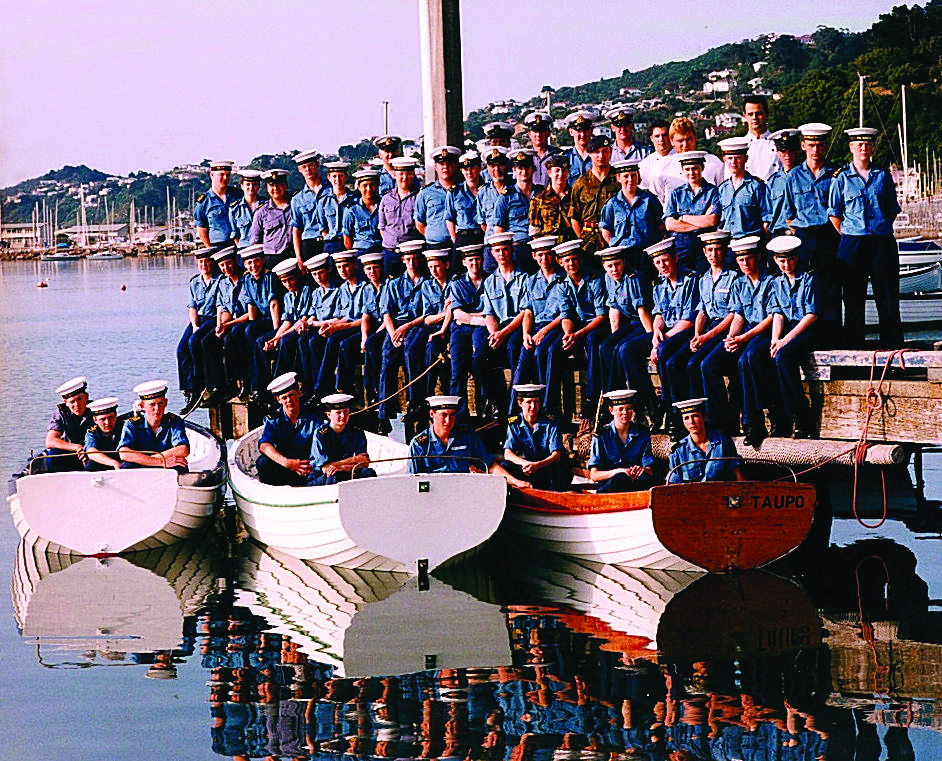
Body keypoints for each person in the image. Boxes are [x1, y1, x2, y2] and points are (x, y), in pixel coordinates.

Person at [698, 236, 782, 447]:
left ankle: (754, 422)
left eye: (749, 259)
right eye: (741, 260)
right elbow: (738, 315)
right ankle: (720, 422)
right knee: (708, 364)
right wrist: (730, 338)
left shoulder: (771, 281)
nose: (746, 264)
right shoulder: (739, 283)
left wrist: (743, 338)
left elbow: (771, 317)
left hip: (764, 332)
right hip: (745, 332)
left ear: (758, 257)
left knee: (747, 359)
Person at [827, 126, 902, 348]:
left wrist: (878, 228)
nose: (863, 148)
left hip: (881, 242)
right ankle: (854, 353)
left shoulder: (883, 175)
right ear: (851, 147)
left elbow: (891, 209)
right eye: (859, 144)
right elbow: (835, 213)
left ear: (872, 147)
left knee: (887, 299)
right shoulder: (841, 178)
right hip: (853, 242)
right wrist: (853, 232)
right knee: (853, 300)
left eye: (867, 144)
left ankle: (893, 353)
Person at [666, 230, 737, 411]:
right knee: (684, 363)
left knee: (706, 364)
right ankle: (693, 413)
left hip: (727, 329)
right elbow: (702, 311)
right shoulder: (703, 278)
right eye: (710, 250)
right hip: (708, 329)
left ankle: (719, 416)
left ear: (725, 251)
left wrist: (707, 336)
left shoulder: (734, 277)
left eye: (718, 250)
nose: (714, 255)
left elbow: (733, 315)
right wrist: (697, 335)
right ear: (704, 252)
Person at [408, 396, 527, 487]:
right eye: (443, 415)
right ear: (431, 414)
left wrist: (515, 482)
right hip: (433, 493)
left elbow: (489, 464)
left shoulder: (466, 435)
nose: (448, 420)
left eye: (452, 415)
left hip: (462, 490)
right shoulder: (419, 444)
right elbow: (412, 481)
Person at [768, 235, 819, 439]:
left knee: (784, 356)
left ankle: (800, 413)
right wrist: (775, 339)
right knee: (769, 354)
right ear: (775, 260)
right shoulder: (777, 282)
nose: (786, 265)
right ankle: (779, 413)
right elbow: (778, 312)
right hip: (790, 328)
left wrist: (784, 341)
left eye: (789, 260)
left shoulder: (809, 277)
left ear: (796, 258)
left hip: (809, 328)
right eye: (781, 261)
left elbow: (811, 314)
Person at [512, 236, 568, 414]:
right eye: (540, 255)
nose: (544, 259)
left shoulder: (564, 278)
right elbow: (528, 311)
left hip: (557, 326)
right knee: (524, 354)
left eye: (548, 254)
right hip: (537, 328)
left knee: (541, 351)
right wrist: (526, 334)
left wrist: (543, 331)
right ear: (534, 257)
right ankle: (512, 413)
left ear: (555, 256)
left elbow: (564, 314)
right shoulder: (531, 281)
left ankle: (546, 406)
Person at [477, 232, 528, 418]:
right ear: (492, 253)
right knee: (480, 356)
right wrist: (494, 333)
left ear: (512, 249)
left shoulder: (524, 277)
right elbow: (488, 312)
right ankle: (496, 400)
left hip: (517, 326)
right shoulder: (490, 281)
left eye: (505, 249)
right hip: (499, 328)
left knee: (515, 348)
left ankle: (514, 400)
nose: (501, 254)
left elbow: (525, 312)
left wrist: (503, 333)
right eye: (497, 250)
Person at [378, 240, 429, 425]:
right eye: (408, 259)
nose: (412, 263)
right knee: (387, 360)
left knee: (411, 355)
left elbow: (427, 313)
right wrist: (392, 334)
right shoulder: (395, 284)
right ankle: (384, 414)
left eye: (415, 259)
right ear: (403, 260)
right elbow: (387, 313)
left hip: (418, 325)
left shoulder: (428, 282)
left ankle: (414, 404)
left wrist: (406, 328)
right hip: (396, 327)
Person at [785, 123, 841, 274]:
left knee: (831, 286)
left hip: (829, 235)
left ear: (825, 146)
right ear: (803, 146)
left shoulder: (837, 174)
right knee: (805, 285)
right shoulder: (793, 176)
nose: (815, 150)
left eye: (819, 145)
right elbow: (789, 213)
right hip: (804, 236)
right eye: (811, 145)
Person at [595, 245, 651, 395]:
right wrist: (615, 336)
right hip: (631, 323)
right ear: (603, 266)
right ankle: (612, 395)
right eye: (610, 266)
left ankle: (623, 394)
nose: (614, 269)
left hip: (644, 323)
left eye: (617, 264)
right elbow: (614, 309)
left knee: (622, 348)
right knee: (605, 346)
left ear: (624, 262)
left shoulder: (634, 278)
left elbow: (643, 310)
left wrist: (651, 336)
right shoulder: (608, 278)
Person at [254, 259, 313, 398]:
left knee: (285, 341)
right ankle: (260, 387)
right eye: (284, 282)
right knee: (261, 341)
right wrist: (274, 339)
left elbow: (302, 319)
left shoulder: (308, 291)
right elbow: (286, 321)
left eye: (291, 280)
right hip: (291, 328)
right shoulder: (287, 296)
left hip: (303, 328)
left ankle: (279, 383)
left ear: (298, 277)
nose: (288, 284)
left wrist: (279, 338)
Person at [600, 159, 664, 286]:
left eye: (633, 175)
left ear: (638, 176)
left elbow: (661, 226)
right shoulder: (612, 204)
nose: (630, 179)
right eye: (626, 176)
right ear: (618, 178)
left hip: (647, 255)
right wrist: (616, 244)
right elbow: (605, 230)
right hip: (624, 257)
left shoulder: (649, 200)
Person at [338, 251, 387, 411]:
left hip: (387, 326)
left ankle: (372, 390)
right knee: (346, 344)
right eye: (369, 269)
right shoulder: (368, 289)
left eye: (375, 268)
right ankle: (344, 388)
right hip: (372, 327)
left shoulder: (390, 285)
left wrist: (371, 336)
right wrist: (364, 336)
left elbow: (389, 316)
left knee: (373, 344)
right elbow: (366, 316)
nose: (372, 272)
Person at [235, 245, 283, 402]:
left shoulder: (271, 276)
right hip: (261, 320)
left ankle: (259, 386)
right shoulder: (247, 279)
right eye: (249, 263)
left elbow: (274, 304)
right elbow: (251, 306)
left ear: (263, 261)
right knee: (242, 332)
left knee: (257, 341)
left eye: (256, 261)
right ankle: (247, 380)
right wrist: (250, 326)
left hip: (276, 319)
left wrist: (276, 333)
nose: (253, 266)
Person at [255, 372, 320, 486]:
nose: (289, 401)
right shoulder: (274, 420)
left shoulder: (314, 416)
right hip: (286, 467)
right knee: (263, 462)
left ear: (298, 393)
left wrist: (311, 464)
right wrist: (287, 463)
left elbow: (322, 443)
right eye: (284, 397)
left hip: (310, 467)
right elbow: (264, 445)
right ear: (278, 400)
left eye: (292, 395)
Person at [202, 246, 248, 405]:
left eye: (228, 264)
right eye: (222, 266)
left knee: (231, 339)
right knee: (208, 341)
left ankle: (234, 384)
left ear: (235, 261)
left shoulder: (246, 278)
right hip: (232, 321)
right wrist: (221, 325)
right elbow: (224, 307)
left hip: (246, 320)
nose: (226, 268)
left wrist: (228, 325)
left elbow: (250, 312)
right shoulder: (223, 282)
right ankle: (216, 386)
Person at [503, 384, 571, 491]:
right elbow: (507, 453)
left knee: (560, 468)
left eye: (536, 401)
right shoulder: (514, 424)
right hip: (529, 467)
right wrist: (524, 463)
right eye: (529, 402)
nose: (533, 407)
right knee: (506, 466)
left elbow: (556, 455)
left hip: (548, 466)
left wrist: (537, 465)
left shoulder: (551, 422)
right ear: (520, 403)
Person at [444, 243, 489, 406]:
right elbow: (457, 314)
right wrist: (480, 318)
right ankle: (458, 411)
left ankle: (485, 403)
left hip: (482, 327)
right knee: (457, 368)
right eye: (470, 260)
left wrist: (470, 317)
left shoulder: (490, 280)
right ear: (464, 262)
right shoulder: (457, 283)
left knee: (480, 359)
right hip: (461, 329)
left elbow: (492, 311)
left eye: (477, 259)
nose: (474, 264)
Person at [588, 390, 656, 493]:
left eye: (628, 409)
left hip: (635, 485)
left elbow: (650, 470)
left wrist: (641, 470)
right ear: (611, 410)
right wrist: (619, 471)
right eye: (620, 409)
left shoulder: (642, 434)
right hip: (609, 489)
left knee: (645, 479)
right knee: (620, 478)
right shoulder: (601, 436)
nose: (625, 413)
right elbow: (594, 475)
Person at [178, 247, 220, 414]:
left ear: (212, 262)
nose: (204, 265)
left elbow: (220, 306)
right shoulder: (195, 282)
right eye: (201, 262)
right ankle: (188, 389)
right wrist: (195, 326)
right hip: (199, 319)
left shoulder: (220, 280)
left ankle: (200, 384)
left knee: (195, 342)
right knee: (181, 349)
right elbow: (192, 306)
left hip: (213, 318)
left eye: (207, 261)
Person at [663, 151, 719, 275]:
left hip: (705, 244)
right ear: (682, 170)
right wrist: (702, 220)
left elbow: (712, 220)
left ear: (702, 168)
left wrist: (683, 217)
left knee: (705, 278)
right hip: (681, 245)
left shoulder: (713, 191)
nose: (691, 173)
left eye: (695, 168)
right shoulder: (677, 194)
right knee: (684, 280)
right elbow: (669, 225)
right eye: (687, 169)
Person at [118, 381, 189, 473]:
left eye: (160, 403)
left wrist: (145, 460)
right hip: (152, 464)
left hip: (161, 464)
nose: (157, 409)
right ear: (142, 406)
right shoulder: (132, 424)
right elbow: (124, 453)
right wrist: (159, 461)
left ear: (166, 402)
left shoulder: (174, 422)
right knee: (126, 466)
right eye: (152, 404)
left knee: (180, 465)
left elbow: (183, 449)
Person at [667, 398, 743, 483]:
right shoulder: (678, 451)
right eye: (686, 418)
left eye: (695, 416)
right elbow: (673, 486)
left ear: (705, 417)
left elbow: (738, 475)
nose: (691, 422)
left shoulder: (722, 442)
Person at [651, 118, 725, 205]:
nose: (685, 145)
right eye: (680, 141)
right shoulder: (661, 167)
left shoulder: (713, 163)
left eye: (688, 139)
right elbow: (656, 202)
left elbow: (723, 194)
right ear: (671, 141)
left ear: (695, 137)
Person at [308, 394, 376, 485]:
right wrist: (353, 459)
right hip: (321, 476)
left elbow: (364, 463)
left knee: (369, 473)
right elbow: (326, 467)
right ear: (329, 415)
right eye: (338, 412)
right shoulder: (321, 434)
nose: (343, 416)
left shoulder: (356, 432)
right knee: (333, 476)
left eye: (345, 411)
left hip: (346, 471)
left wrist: (342, 467)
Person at [568, 134, 618, 256]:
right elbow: (574, 216)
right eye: (597, 152)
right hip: (589, 240)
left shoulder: (618, 180)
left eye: (604, 151)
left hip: (614, 236)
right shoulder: (581, 183)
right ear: (590, 154)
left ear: (610, 152)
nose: (601, 156)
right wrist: (582, 238)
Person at [716, 136, 771, 243]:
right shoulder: (723, 188)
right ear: (724, 160)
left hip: (751, 241)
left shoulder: (756, 186)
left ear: (745, 159)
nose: (734, 162)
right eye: (730, 158)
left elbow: (766, 218)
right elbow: (721, 219)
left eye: (738, 158)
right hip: (729, 242)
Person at [378, 156, 421, 275]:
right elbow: (382, 227)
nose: (404, 178)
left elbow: (422, 225)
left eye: (408, 174)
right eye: (401, 173)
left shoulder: (419, 197)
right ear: (394, 175)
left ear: (413, 175)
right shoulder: (386, 198)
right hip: (390, 253)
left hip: (412, 254)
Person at [43, 376, 94, 472]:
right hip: (71, 453)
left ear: (86, 397)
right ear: (66, 402)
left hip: (94, 452)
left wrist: (88, 451)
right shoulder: (61, 415)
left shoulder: (96, 411)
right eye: (72, 402)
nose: (76, 405)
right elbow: (50, 441)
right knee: (53, 455)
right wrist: (77, 447)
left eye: (79, 399)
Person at [475, 146, 513, 271]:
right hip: (491, 246)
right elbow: (483, 224)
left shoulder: (515, 188)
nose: (496, 170)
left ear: (507, 165)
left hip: (512, 245)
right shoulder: (483, 192)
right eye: (492, 166)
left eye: (500, 165)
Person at [414, 146, 460, 250]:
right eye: (441, 164)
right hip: (436, 246)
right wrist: (433, 235)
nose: (445, 167)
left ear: (456, 165)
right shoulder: (426, 193)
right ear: (435, 166)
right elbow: (419, 222)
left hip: (459, 244)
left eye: (449, 164)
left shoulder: (463, 191)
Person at [290, 149, 329, 266]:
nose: (308, 170)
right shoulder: (297, 199)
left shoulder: (331, 190)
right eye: (304, 167)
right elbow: (296, 230)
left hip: (330, 240)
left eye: (311, 165)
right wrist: (298, 257)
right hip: (310, 244)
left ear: (317, 164)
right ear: (299, 170)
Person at [249, 169, 294, 266]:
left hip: (294, 255)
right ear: (267, 188)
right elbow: (256, 241)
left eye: (279, 184)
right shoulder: (261, 212)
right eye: (271, 185)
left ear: (285, 185)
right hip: (272, 258)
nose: (276, 188)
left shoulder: (296, 205)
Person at [194, 160, 242, 247]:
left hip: (239, 245)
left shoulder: (238, 195)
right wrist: (210, 249)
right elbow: (201, 229)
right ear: (212, 175)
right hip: (218, 247)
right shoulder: (204, 202)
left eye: (228, 175)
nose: (225, 178)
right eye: (221, 174)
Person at [508, 148, 541, 272]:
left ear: (533, 169)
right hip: (518, 248)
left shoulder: (542, 193)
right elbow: (499, 229)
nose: (524, 172)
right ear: (514, 171)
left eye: (527, 167)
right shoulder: (506, 197)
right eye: (520, 168)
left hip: (540, 247)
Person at [529, 153, 574, 242]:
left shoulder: (575, 196)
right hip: (549, 247)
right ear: (549, 173)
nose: (561, 174)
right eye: (557, 170)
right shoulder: (538, 200)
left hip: (571, 247)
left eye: (564, 170)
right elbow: (535, 233)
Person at [765, 129, 802, 237]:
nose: (787, 155)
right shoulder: (772, 182)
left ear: (798, 149)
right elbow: (768, 215)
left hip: (800, 234)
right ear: (777, 152)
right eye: (783, 151)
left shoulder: (806, 178)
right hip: (778, 234)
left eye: (791, 150)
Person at [317, 161, 356, 254]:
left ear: (346, 176)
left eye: (340, 176)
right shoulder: (323, 201)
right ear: (329, 177)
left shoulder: (354, 199)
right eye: (334, 176)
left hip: (350, 242)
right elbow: (322, 226)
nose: (337, 179)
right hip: (331, 244)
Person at [452, 151, 487, 251]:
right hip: (463, 238)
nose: (469, 172)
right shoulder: (454, 192)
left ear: (479, 168)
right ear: (461, 170)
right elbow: (450, 219)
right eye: (465, 169)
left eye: (472, 168)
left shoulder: (487, 190)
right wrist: (456, 241)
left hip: (482, 236)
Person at [342, 170, 383, 254]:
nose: (369, 189)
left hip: (381, 249)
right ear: (359, 187)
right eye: (365, 185)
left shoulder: (384, 206)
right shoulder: (351, 209)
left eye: (372, 185)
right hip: (361, 250)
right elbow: (347, 236)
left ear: (377, 186)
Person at [742, 94, 781, 182]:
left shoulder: (778, 143)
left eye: (759, 113)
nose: (754, 118)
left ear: (767, 115)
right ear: (745, 116)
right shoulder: (740, 146)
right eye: (750, 114)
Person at [83, 397, 124, 471]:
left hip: (123, 460)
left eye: (110, 418)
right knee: (90, 466)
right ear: (95, 420)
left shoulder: (125, 428)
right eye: (102, 419)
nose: (107, 423)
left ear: (116, 415)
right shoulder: (92, 433)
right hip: (105, 462)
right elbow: (91, 452)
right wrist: (113, 463)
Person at [524, 111, 560, 187]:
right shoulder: (526, 157)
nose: (538, 134)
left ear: (548, 133)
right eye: (535, 131)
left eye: (542, 131)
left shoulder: (558, 155)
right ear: (529, 134)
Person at [229, 169, 263, 248]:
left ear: (258, 186)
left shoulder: (266, 205)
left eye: (254, 184)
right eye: (248, 184)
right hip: (244, 250)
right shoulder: (234, 208)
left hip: (262, 249)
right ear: (242, 185)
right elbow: (235, 233)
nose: (251, 187)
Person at [561, 110, 596, 186]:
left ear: (591, 130)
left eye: (586, 130)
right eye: (578, 130)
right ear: (571, 132)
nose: (582, 134)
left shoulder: (599, 156)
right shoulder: (564, 158)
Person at [638, 119, 674, 192]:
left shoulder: (680, 158)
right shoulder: (645, 165)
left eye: (664, 135)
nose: (661, 139)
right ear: (651, 138)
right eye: (657, 136)